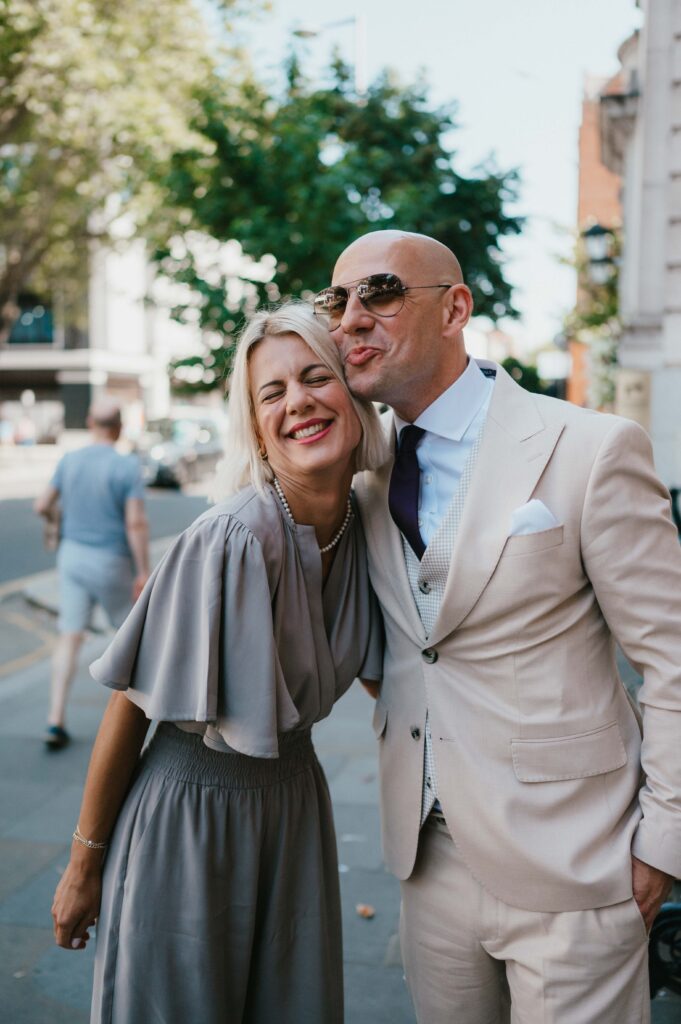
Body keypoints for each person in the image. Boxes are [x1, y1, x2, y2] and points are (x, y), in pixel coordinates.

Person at [312, 229, 681, 1023]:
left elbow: (673, 661)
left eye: (378, 292)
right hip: (428, 860)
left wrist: (662, 843)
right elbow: (409, 649)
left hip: (577, 864)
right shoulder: (364, 471)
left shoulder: (588, 447)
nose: (349, 321)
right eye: (335, 302)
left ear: (454, 309)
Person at [50, 303, 387, 1024]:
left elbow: (395, 681)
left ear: (353, 395)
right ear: (258, 429)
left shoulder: (368, 528)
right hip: (189, 819)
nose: (296, 401)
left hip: (294, 808)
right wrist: (84, 866)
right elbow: (130, 705)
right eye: (272, 393)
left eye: (314, 377)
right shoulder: (230, 538)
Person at [34, 399, 150, 749]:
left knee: (69, 636)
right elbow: (135, 522)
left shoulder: (69, 461)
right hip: (111, 561)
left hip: (72, 557)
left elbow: (42, 505)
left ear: (89, 423)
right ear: (119, 428)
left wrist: (56, 522)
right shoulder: (126, 466)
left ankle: (55, 718)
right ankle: (138, 718)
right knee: (131, 640)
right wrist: (143, 570)